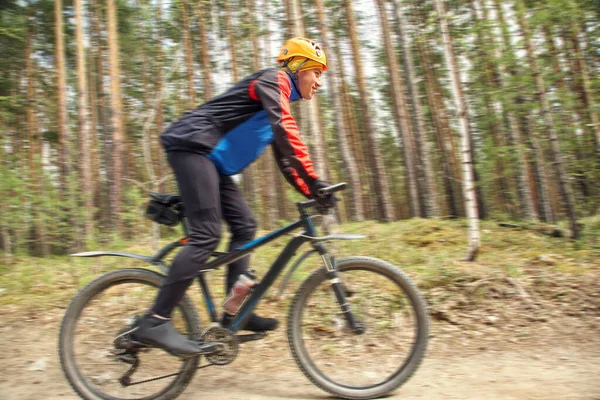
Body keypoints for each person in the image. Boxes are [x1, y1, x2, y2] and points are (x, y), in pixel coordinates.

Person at [130, 37, 335, 357]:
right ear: (298, 67)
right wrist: (314, 179)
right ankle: (155, 322)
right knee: (206, 235)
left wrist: (312, 189)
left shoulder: (278, 100)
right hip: (193, 146)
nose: (320, 82)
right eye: (317, 72)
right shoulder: (274, 80)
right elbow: (285, 131)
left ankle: (233, 312)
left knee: (245, 225)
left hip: (214, 163)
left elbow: (285, 156)